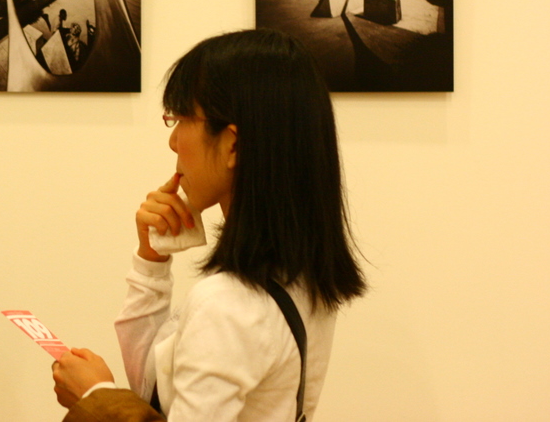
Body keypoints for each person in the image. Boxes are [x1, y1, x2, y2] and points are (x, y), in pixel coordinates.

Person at [53, 28, 366, 421]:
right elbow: (155, 390)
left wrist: (95, 397)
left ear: (233, 145)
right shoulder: (304, 276)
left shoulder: (227, 304)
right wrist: (151, 260)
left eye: (181, 118)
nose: (173, 142)